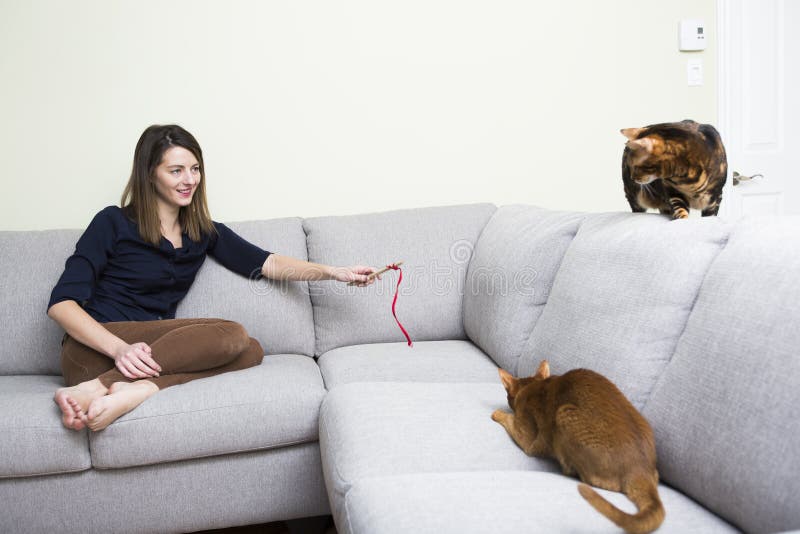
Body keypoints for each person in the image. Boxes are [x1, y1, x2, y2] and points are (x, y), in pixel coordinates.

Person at [48, 124, 379, 432]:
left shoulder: (202, 232)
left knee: (251, 350)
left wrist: (335, 273)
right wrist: (120, 350)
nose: (189, 179)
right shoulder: (113, 222)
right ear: (150, 175)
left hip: (150, 359)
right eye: (175, 170)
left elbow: (268, 262)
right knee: (230, 333)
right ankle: (99, 387)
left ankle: (139, 389)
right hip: (93, 355)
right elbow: (61, 305)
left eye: (195, 169)